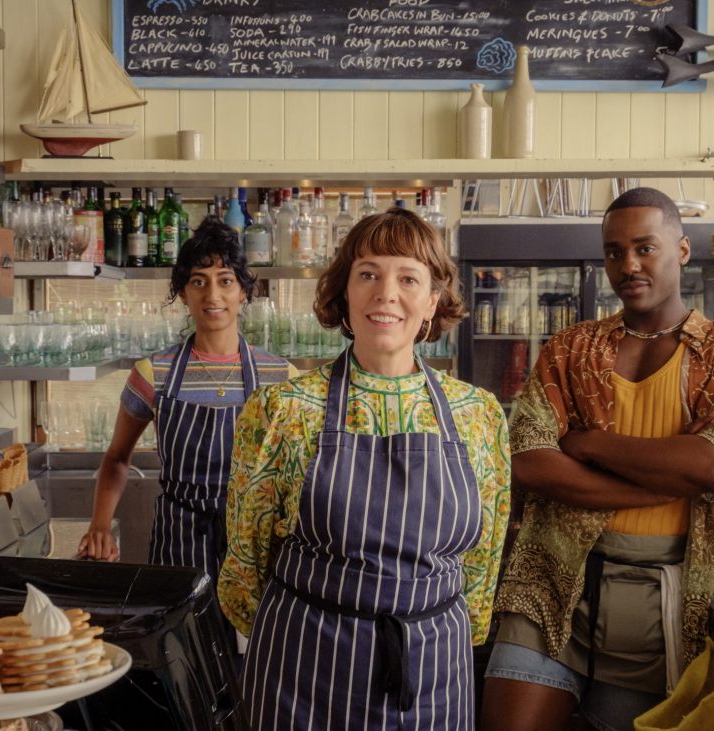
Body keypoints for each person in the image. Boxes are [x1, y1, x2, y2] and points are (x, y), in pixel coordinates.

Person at [480, 187, 714, 731]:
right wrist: (667, 480)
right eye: (614, 252)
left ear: (682, 250)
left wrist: (587, 444)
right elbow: (529, 460)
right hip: (550, 578)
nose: (628, 265)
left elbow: (712, 467)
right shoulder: (570, 348)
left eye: (644, 248)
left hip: (660, 602)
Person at [219, 207, 511, 730]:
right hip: (304, 666)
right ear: (345, 292)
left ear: (433, 300)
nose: (386, 293)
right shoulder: (282, 411)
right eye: (368, 274)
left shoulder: (479, 415)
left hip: (433, 666)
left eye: (408, 278)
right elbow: (245, 565)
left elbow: (482, 568)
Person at [77, 218, 292, 575]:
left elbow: (300, 472)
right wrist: (100, 525)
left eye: (225, 280)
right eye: (199, 282)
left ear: (243, 291)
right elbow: (116, 458)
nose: (213, 295)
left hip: (255, 546)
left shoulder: (281, 376)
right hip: (179, 545)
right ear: (182, 293)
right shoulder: (153, 373)